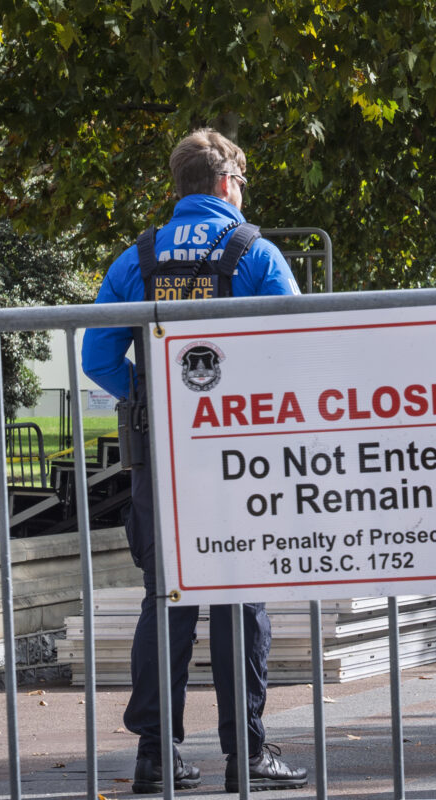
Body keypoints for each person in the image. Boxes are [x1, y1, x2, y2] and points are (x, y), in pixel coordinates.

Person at [82, 129, 308, 794]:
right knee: (242, 601)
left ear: (180, 187)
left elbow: (98, 358)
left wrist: (155, 406)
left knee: (167, 599)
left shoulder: (137, 257)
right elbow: (299, 338)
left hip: (164, 458)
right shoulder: (254, 253)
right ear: (226, 186)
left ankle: (157, 756)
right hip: (239, 458)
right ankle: (248, 753)